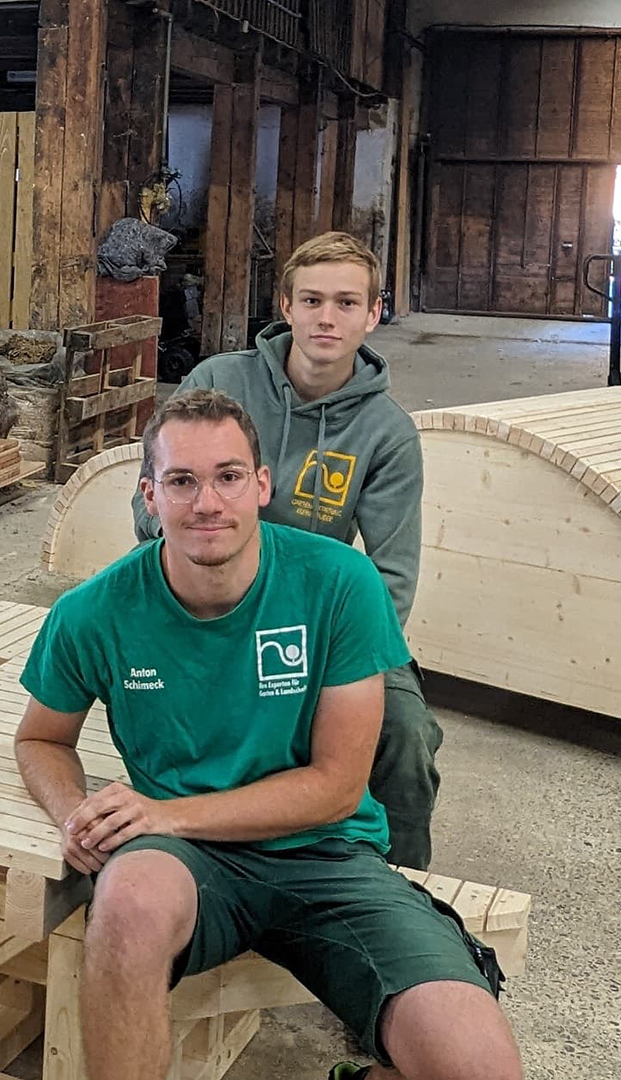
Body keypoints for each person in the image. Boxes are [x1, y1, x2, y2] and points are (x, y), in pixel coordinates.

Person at [19, 389, 520, 1080]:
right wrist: (72, 811)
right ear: (148, 496)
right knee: (126, 900)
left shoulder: (339, 583)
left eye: (227, 476)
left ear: (261, 485)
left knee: (481, 1068)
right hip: (183, 857)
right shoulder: (93, 612)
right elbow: (41, 739)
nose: (207, 503)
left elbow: (337, 787)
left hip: (329, 856)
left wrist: (164, 811)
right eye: (181, 481)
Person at [130, 231, 442, 870]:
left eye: (347, 303)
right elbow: (152, 505)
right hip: (209, 602)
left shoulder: (387, 435)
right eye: (313, 300)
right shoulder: (219, 380)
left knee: (405, 734)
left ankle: (399, 885)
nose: (327, 318)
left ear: (374, 313)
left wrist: (327, 663)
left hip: (319, 622)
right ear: (287, 305)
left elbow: (391, 581)